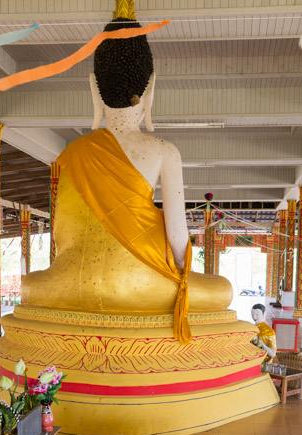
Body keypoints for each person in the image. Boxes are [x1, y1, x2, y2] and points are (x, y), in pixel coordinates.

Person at [22, 15, 232, 343]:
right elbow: (178, 238)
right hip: (145, 282)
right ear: (151, 90)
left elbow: (62, 235)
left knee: (29, 286)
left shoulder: (71, 155)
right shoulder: (164, 151)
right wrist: (180, 275)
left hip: (75, 282)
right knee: (223, 290)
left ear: (93, 88)